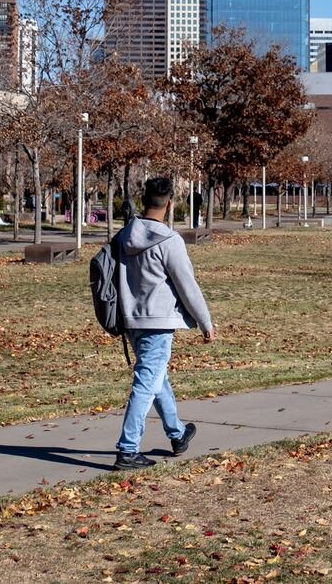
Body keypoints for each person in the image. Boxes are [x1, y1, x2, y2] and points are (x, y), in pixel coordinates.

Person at [112, 177, 214, 471]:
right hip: (157, 320)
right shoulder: (170, 240)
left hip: (131, 319)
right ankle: (128, 449)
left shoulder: (124, 236)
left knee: (156, 378)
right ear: (169, 204)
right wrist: (205, 321)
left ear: (144, 200)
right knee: (146, 382)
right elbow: (187, 286)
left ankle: (177, 434)